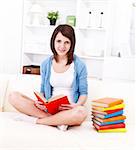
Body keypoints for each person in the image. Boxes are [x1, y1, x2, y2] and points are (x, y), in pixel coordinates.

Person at [8, 24, 88, 131]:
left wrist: (76, 105)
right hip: (49, 109)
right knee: (13, 96)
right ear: (53, 42)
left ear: (72, 44)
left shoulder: (79, 65)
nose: (62, 46)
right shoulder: (46, 64)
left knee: (81, 112)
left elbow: (83, 93)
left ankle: (37, 121)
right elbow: (42, 90)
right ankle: (58, 121)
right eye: (59, 41)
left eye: (67, 42)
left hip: (69, 111)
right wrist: (41, 102)